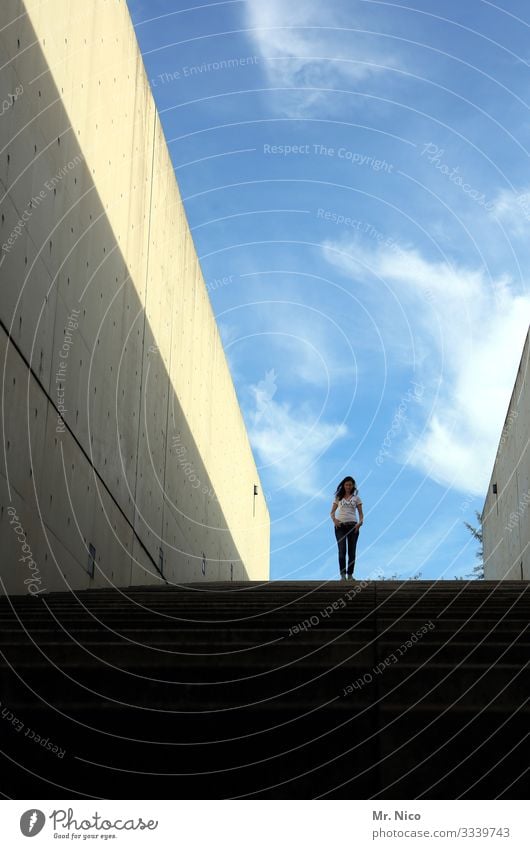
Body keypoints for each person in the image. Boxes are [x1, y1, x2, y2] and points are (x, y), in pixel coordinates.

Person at [330, 476, 363, 580]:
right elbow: (332, 512)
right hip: (340, 526)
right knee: (342, 551)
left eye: (350, 484)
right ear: (343, 486)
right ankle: (343, 575)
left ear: (353, 486)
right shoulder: (338, 498)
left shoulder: (356, 498)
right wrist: (334, 520)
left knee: (352, 552)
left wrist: (360, 523)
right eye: (346, 484)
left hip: (353, 526)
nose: (348, 486)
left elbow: (361, 514)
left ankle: (350, 575)